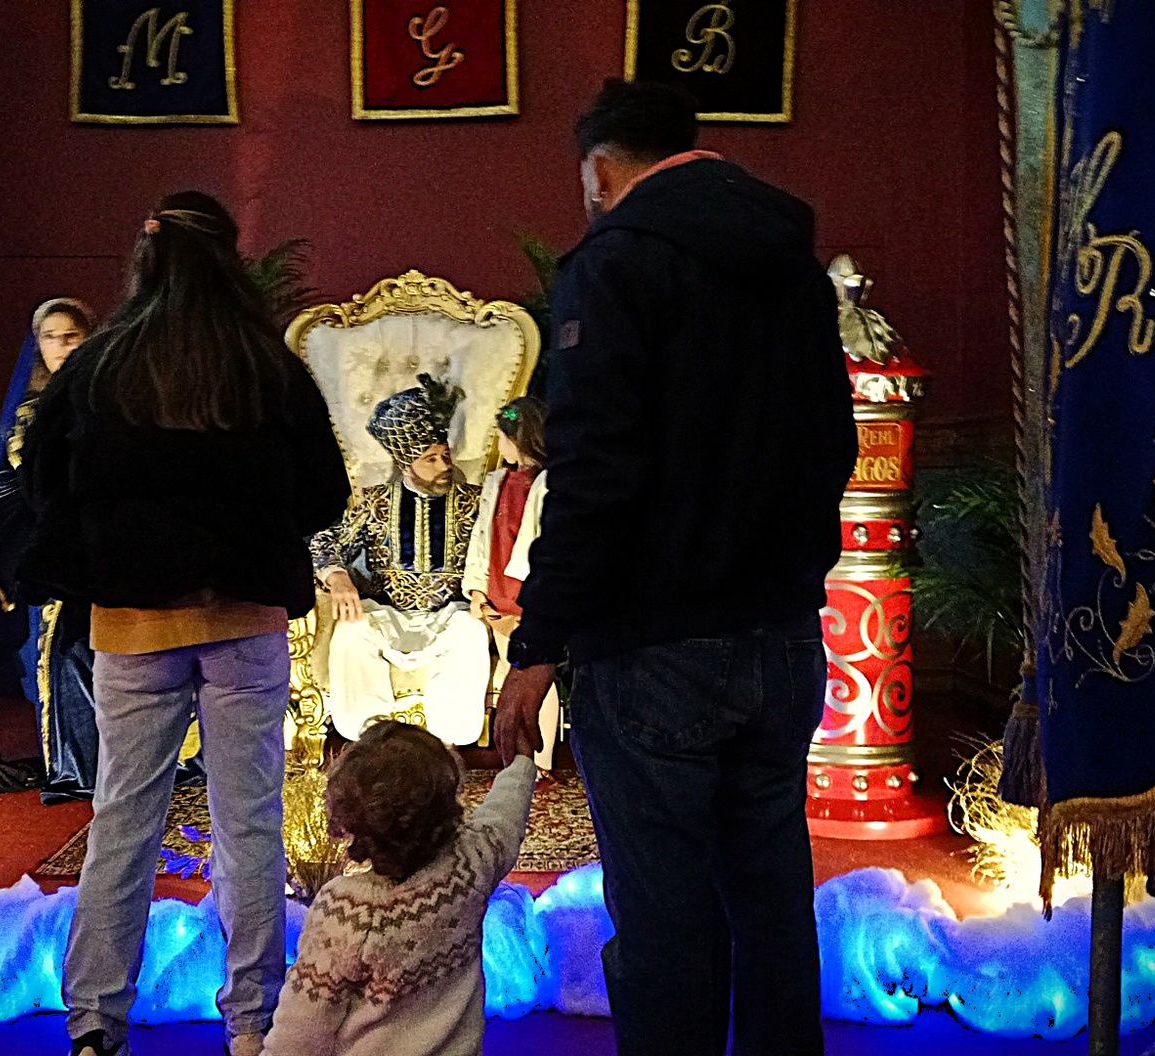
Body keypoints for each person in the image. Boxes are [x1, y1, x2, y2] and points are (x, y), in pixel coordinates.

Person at [493, 80, 858, 1056]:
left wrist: (536, 643)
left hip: (651, 647)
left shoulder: (614, 265)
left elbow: (594, 474)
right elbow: (835, 446)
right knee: (773, 906)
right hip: (780, 637)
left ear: (602, 172)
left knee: (664, 924)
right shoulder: (793, 264)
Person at [19, 189, 351, 1056]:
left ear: (147, 257)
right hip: (245, 618)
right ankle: (253, 1021)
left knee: (123, 819)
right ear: (231, 261)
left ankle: (95, 1021)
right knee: (250, 825)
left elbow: (43, 482)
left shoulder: (99, 365)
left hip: (132, 623)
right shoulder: (267, 366)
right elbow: (324, 493)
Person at [263, 720, 535, 1056]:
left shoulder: (347, 910)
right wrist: (521, 763)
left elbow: (302, 1025)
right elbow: (505, 815)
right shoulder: (470, 865)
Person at [0, 297, 104, 803]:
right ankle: (87, 767)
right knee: (70, 656)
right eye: (51, 336)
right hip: (67, 556)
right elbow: (11, 492)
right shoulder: (33, 413)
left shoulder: (114, 396)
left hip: (117, 546)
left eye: (72, 335)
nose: (62, 346)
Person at [310, 375, 490, 746]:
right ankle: (369, 741)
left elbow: (497, 549)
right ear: (407, 463)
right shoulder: (375, 501)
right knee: (351, 630)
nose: (443, 464)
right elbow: (324, 540)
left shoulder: (475, 501)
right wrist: (337, 576)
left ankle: (444, 747)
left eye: (445, 455)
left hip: (451, 616)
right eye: (431, 458)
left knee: (470, 633)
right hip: (387, 615)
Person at [462, 397, 558, 775]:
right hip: (499, 588)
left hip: (528, 593)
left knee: (533, 674)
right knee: (509, 669)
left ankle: (542, 761)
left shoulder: (549, 483)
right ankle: (516, 761)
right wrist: (477, 588)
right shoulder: (497, 481)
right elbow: (484, 536)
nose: (498, 446)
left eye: (502, 437)